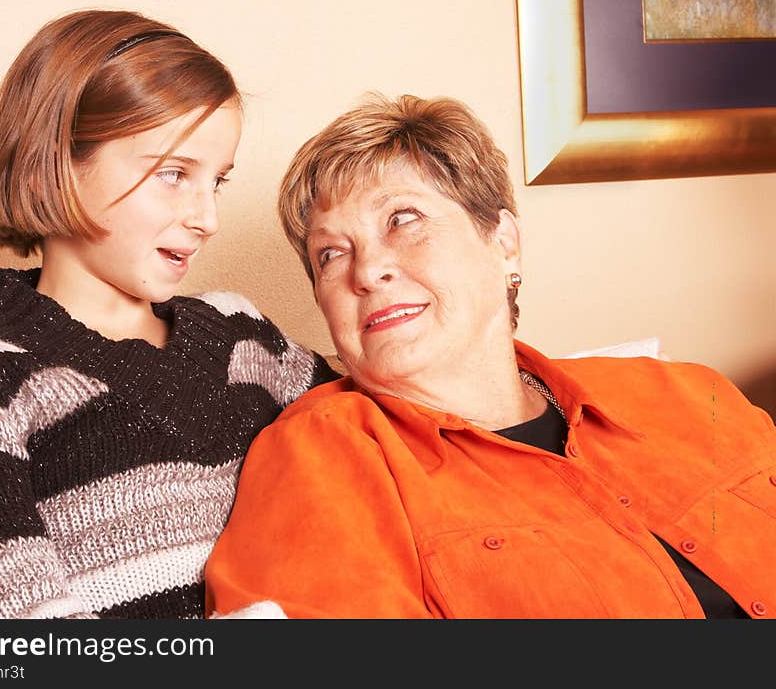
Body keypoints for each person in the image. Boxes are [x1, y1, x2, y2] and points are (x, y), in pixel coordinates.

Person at [204, 93, 776, 619]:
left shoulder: (690, 394)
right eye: (330, 254)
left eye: (402, 220)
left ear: (503, 242)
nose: (367, 271)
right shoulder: (323, 454)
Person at [0, 9, 337, 619]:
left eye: (219, 182)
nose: (207, 218)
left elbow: (392, 430)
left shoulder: (242, 334)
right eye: (174, 174)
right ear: (59, 163)